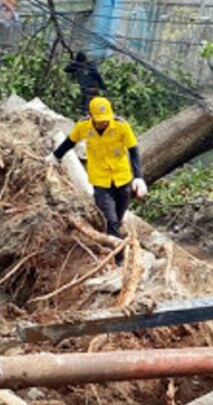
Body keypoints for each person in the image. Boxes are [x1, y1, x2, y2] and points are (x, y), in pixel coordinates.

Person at [45, 97, 147, 266]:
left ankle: (108, 237)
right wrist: (55, 156)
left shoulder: (121, 126)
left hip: (122, 179)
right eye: (99, 121)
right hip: (100, 181)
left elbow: (133, 151)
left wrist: (139, 177)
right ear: (91, 116)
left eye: (105, 120)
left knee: (118, 218)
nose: (103, 124)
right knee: (111, 220)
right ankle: (118, 259)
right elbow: (70, 142)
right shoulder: (84, 127)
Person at [64, 52, 107, 117]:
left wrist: (75, 64)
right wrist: (103, 87)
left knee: (87, 110)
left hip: (88, 90)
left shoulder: (80, 66)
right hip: (93, 90)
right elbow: (66, 69)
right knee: (92, 109)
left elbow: (66, 69)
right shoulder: (89, 66)